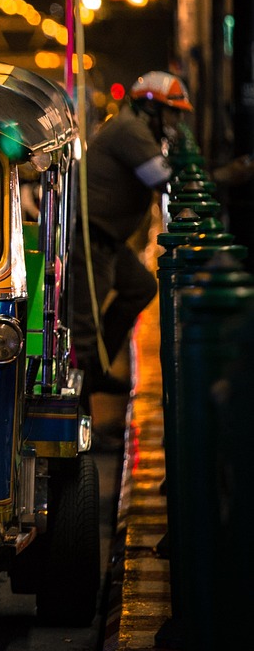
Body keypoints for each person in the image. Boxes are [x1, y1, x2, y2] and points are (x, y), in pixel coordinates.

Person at [69, 70, 194, 403]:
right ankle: (80, 428)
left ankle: (97, 369)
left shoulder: (134, 127)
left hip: (107, 239)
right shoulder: (131, 130)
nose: (176, 120)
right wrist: (223, 176)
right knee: (82, 330)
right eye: (173, 111)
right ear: (151, 107)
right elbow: (162, 178)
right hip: (90, 237)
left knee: (140, 286)